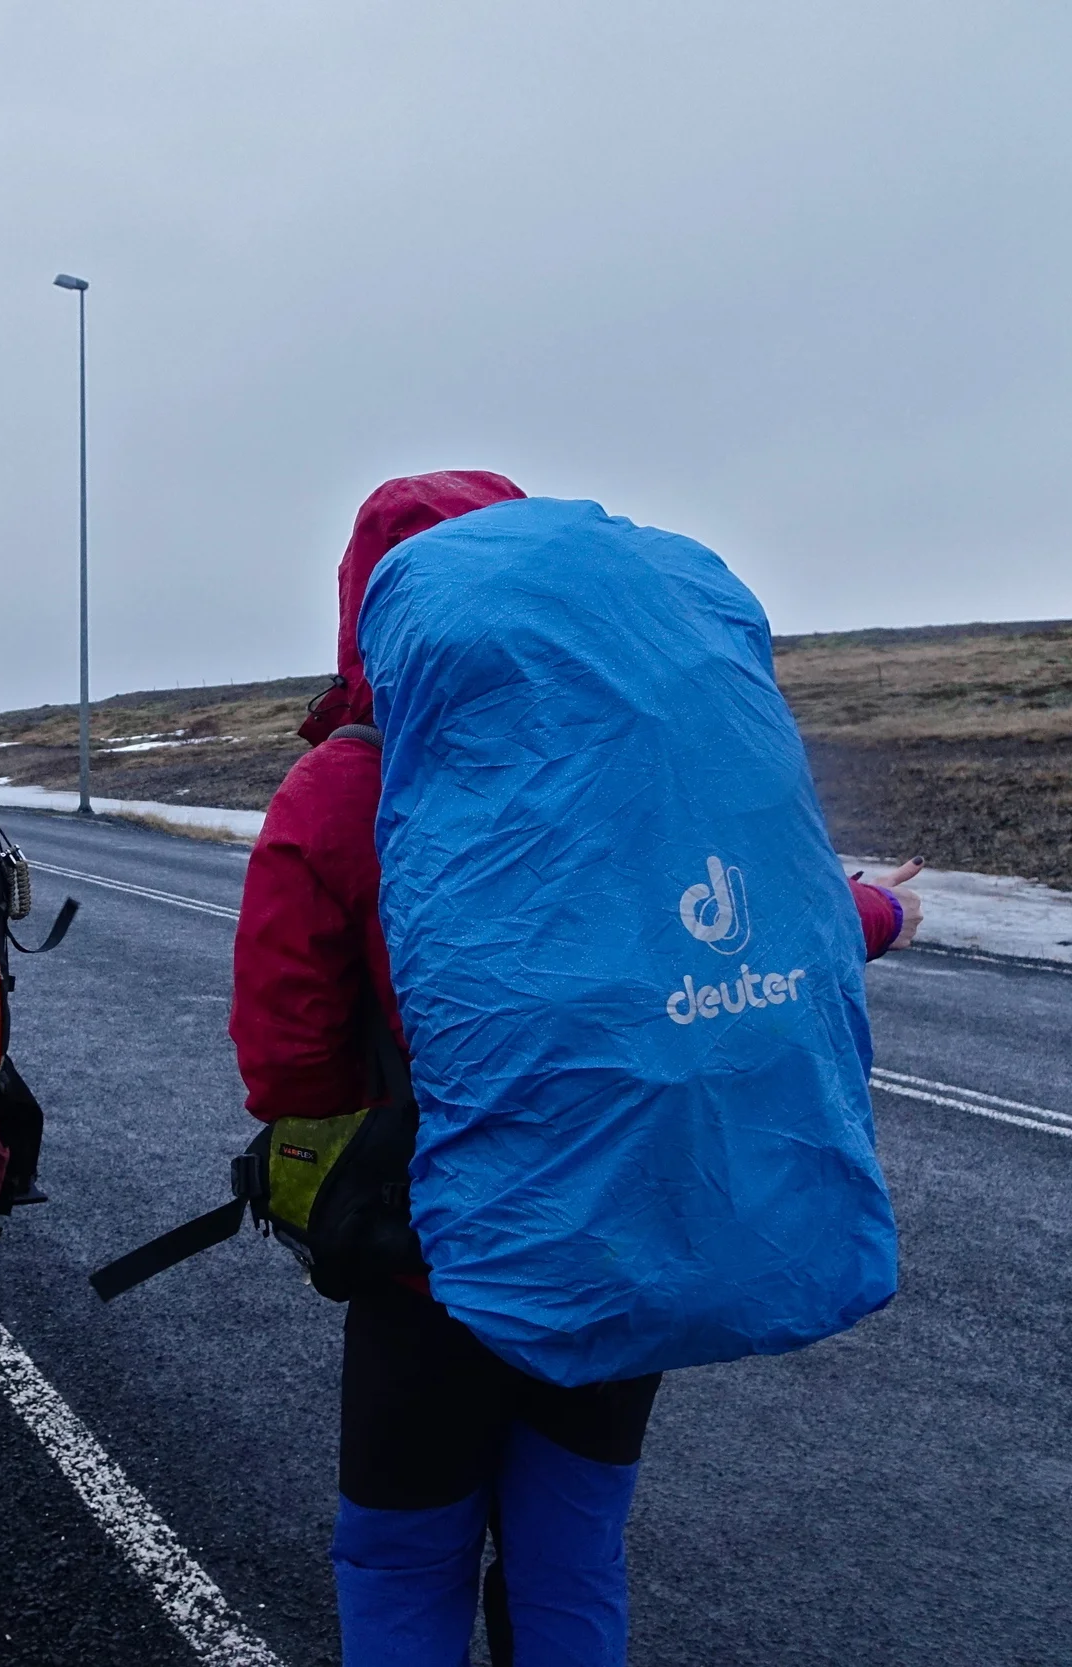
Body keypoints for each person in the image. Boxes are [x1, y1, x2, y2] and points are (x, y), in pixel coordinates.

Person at [229, 473, 921, 1667]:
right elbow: (742, 923)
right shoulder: (638, 760)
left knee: (402, 1559)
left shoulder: (342, 789)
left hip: (432, 1260)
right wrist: (880, 912)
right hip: (626, 1228)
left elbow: (286, 1068)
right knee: (572, 1554)